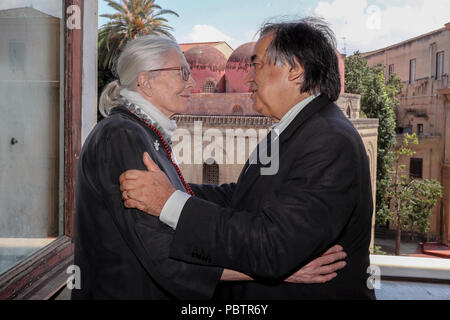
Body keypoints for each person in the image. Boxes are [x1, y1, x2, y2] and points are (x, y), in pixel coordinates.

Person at [72, 34, 347, 300]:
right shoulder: (122, 135)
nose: (192, 82)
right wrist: (276, 271)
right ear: (146, 81)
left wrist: (169, 198)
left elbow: (175, 195)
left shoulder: (141, 131)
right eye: (181, 73)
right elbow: (162, 251)